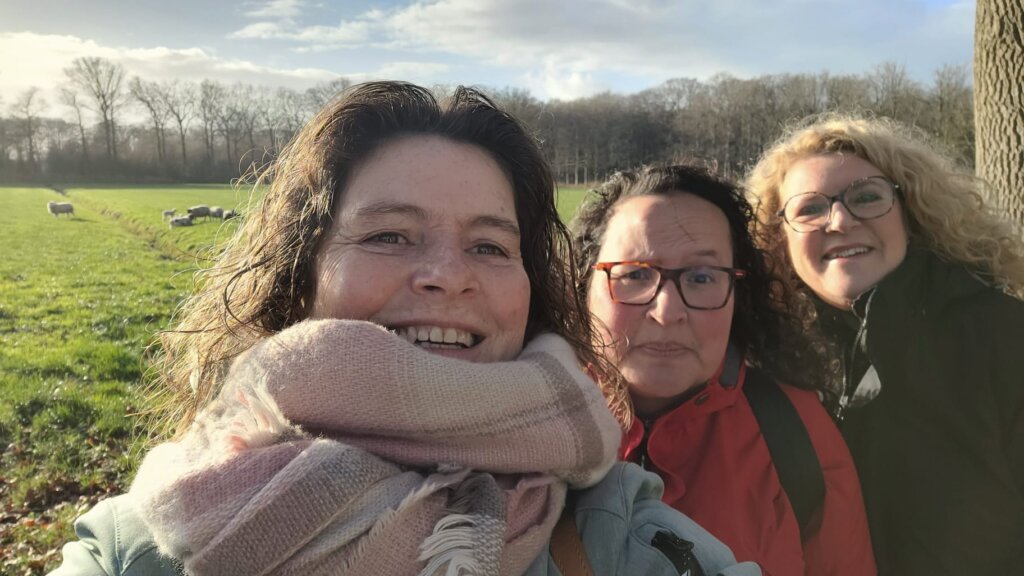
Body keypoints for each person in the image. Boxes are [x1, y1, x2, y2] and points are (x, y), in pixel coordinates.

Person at [49, 82, 759, 576]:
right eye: (390, 236)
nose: (449, 275)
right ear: (304, 270)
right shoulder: (146, 545)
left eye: (489, 246)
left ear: (531, 289)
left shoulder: (622, 531)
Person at [745, 114, 1024, 575]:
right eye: (809, 208)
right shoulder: (762, 365)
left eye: (867, 197)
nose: (839, 220)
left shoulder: (1003, 335)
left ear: (911, 213)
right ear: (778, 240)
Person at [572, 164, 875, 576]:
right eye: (635, 275)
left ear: (738, 294)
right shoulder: (514, 421)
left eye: (701, 277)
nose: (668, 311)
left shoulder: (794, 429)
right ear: (580, 287)